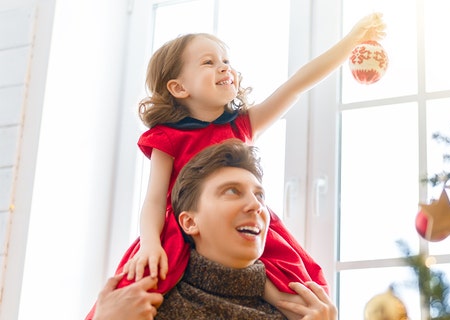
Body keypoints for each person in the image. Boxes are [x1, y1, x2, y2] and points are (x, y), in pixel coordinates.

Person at [85, 12, 386, 319]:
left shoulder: (242, 125)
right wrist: (150, 243)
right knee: (142, 282)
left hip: (233, 226)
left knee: (297, 287)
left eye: (226, 61)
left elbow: (296, 85)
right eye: (209, 62)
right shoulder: (168, 137)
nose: (224, 67)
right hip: (182, 225)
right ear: (178, 88)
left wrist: (351, 41)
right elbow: (153, 200)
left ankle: (279, 303)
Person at [93, 140, 337, 320]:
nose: (257, 206)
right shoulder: (141, 309)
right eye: (232, 191)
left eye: (259, 195)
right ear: (189, 222)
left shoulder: (303, 313)